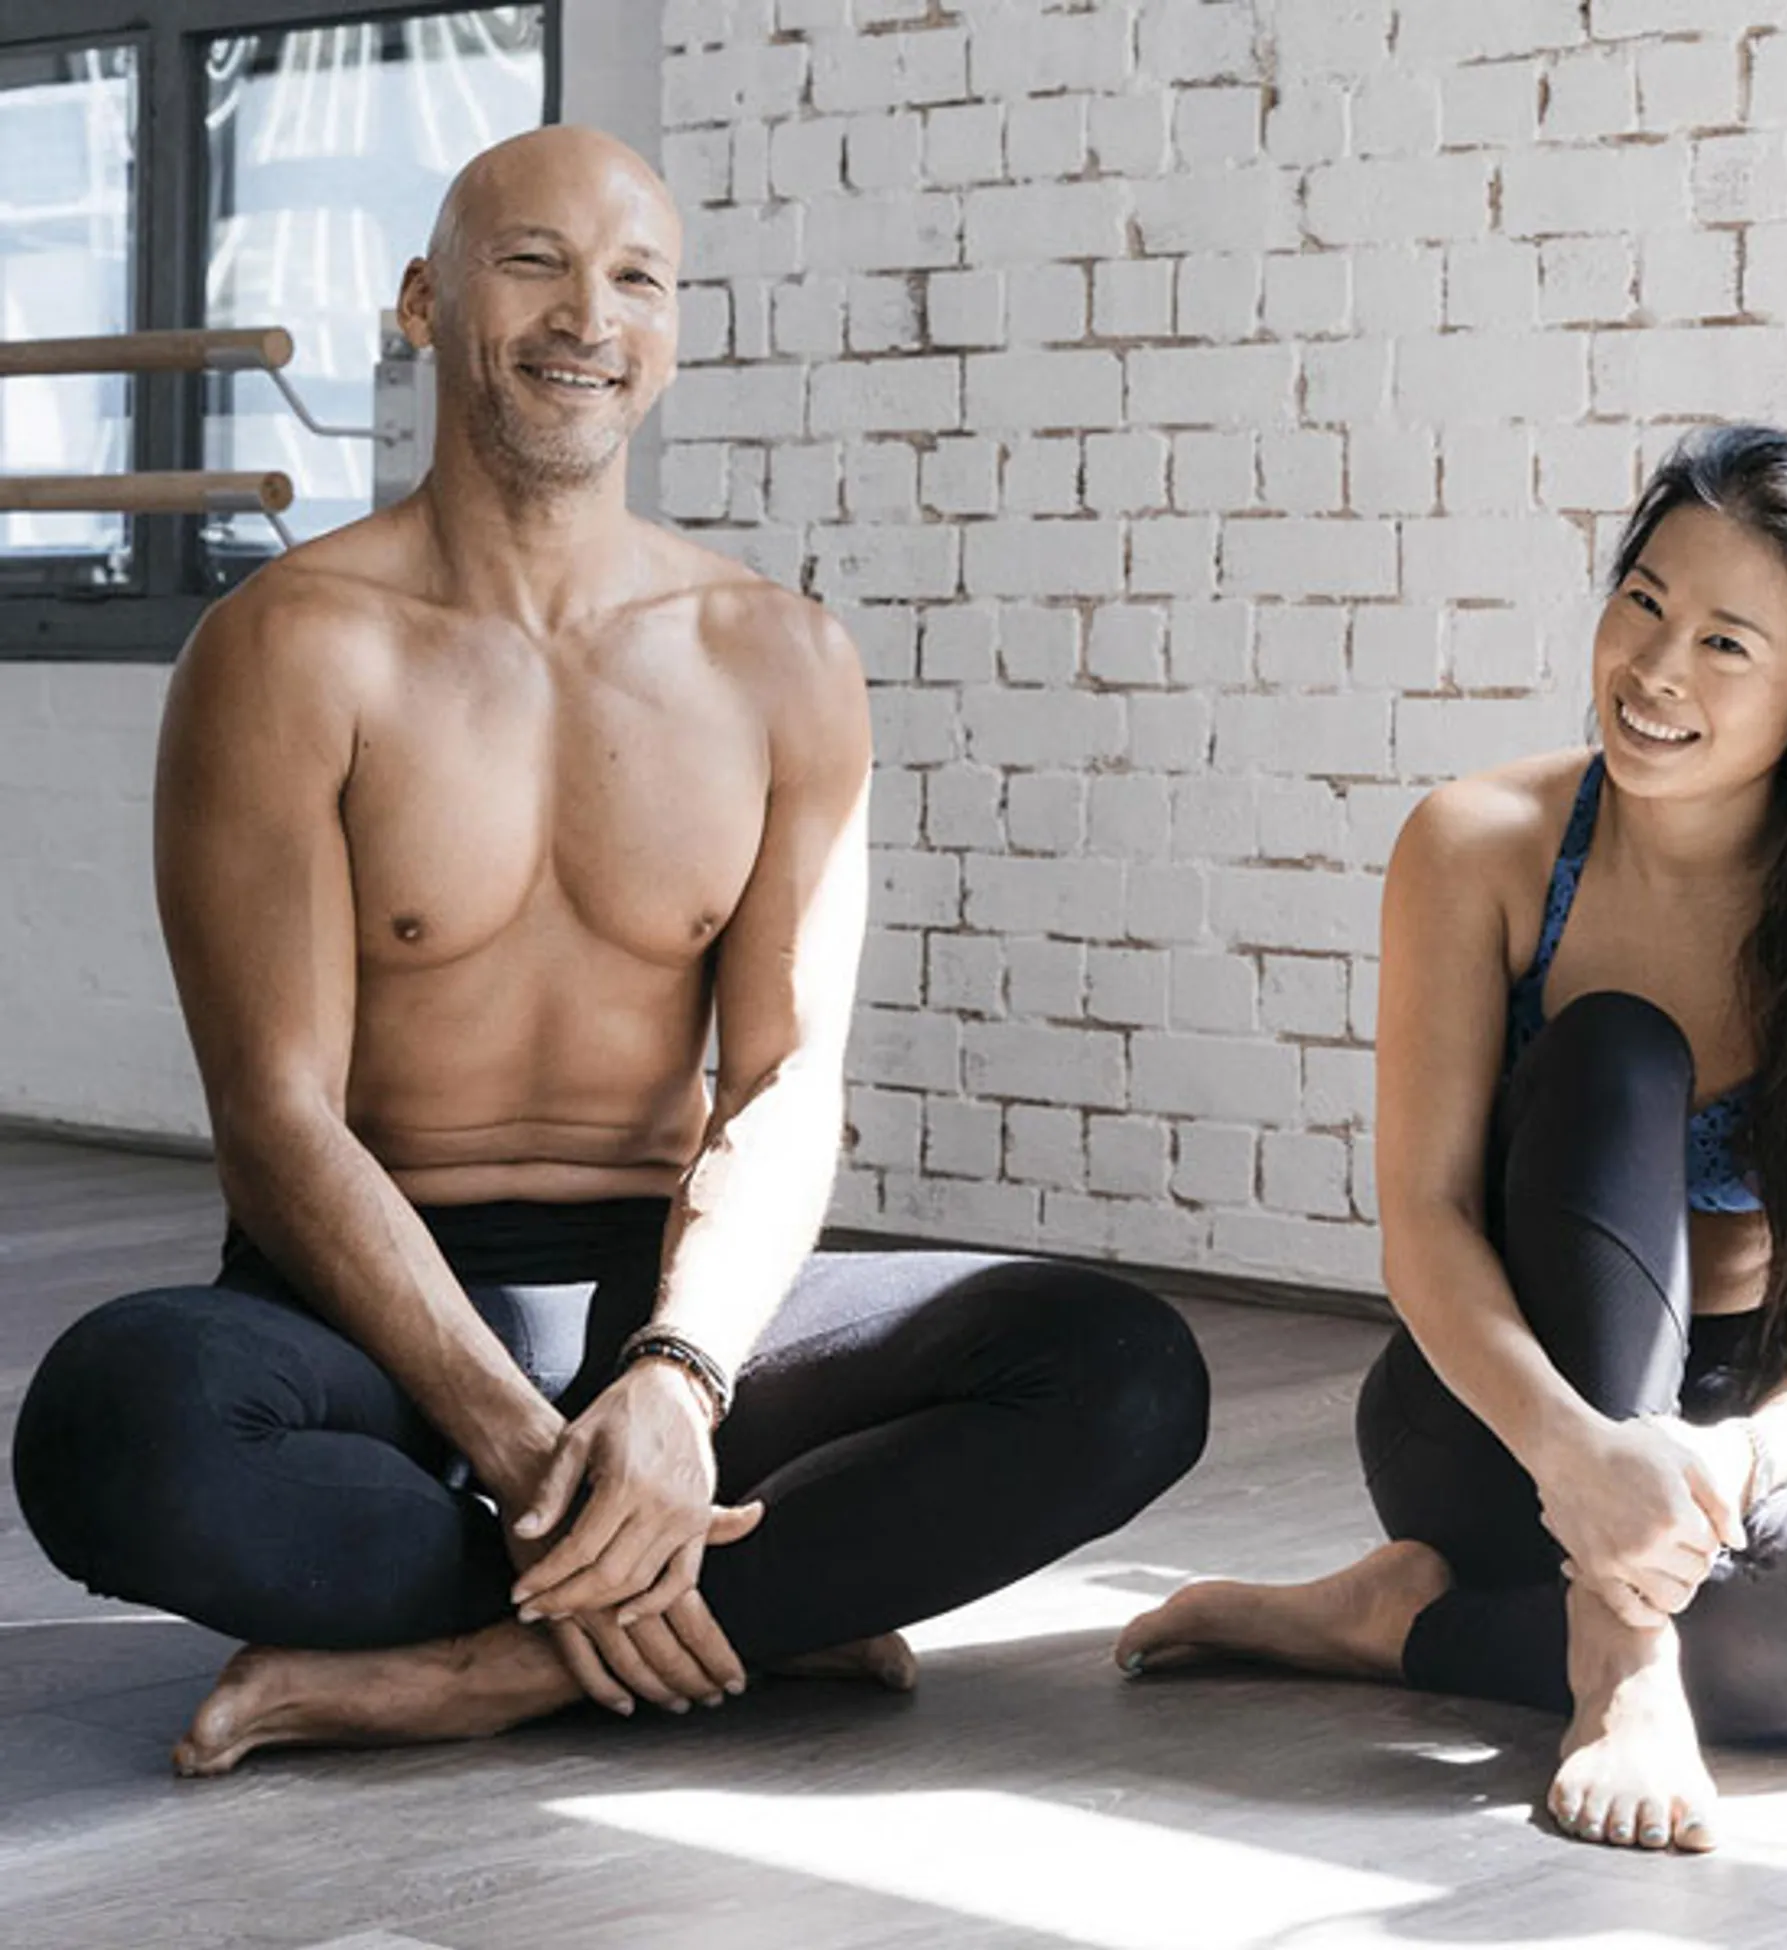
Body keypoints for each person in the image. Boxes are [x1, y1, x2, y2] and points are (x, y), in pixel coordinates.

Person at [12, 125, 1208, 1777]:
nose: (589, 314)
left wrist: (675, 1382)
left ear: (674, 328)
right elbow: (276, 1116)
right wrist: (522, 1446)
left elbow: (786, 1081)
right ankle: (737, 1606)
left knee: (1123, 1366)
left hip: (671, 1304)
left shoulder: (781, 659)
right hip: (362, 1327)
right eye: (533, 262)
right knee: (113, 1424)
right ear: (427, 301)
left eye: (636, 277)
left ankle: (482, 1666)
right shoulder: (288, 648)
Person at [1117, 425, 1787, 1853]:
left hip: (1725, 1430)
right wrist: (1581, 1455)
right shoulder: (1477, 847)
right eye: (1645, 600)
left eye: (1729, 643)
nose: (1656, 669)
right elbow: (1422, 1225)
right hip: (1492, 1412)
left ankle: (1399, 1622)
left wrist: (1722, 1466)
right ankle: (1619, 1655)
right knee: (1615, 1054)